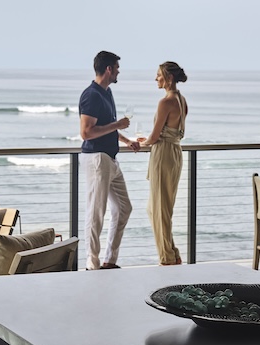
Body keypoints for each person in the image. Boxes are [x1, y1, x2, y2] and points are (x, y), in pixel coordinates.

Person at [79, 51, 140, 270]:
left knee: (124, 208)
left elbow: (106, 126)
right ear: (108, 69)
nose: (118, 72)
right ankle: (92, 264)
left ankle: (109, 260)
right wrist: (118, 125)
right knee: (96, 212)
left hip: (111, 159)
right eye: (117, 68)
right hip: (97, 159)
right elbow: (86, 133)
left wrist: (126, 140)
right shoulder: (91, 95)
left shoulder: (107, 92)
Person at [140, 61, 188, 265]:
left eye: (159, 75)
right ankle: (172, 253)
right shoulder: (181, 100)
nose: (156, 78)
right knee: (159, 208)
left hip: (164, 154)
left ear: (169, 78)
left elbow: (155, 136)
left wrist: (141, 143)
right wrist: (150, 140)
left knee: (160, 209)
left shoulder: (166, 102)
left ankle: (167, 259)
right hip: (175, 152)